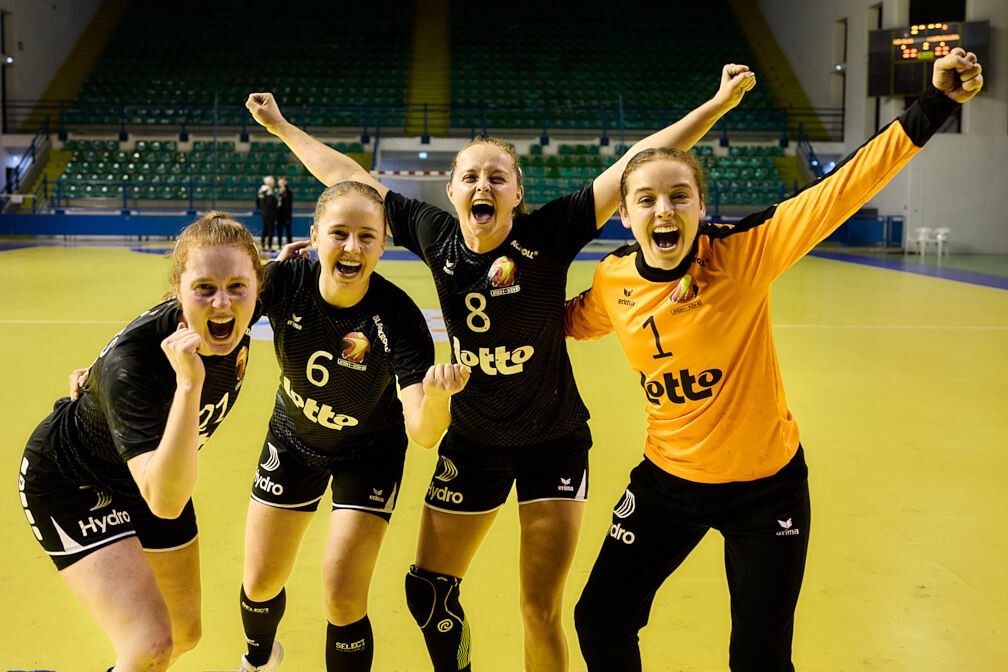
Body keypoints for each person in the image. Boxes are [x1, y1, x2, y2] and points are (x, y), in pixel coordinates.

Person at [245, 63, 755, 672]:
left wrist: (717, 105)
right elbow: (348, 180)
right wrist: (282, 127)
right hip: (475, 439)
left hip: (553, 440)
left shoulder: (550, 232)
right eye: (470, 176)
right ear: (452, 191)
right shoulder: (436, 235)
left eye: (497, 176)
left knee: (539, 608)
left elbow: (635, 164)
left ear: (516, 193)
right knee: (427, 589)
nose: (482, 184)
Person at [563, 49, 983, 672]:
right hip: (667, 482)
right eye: (646, 200)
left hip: (766, 491)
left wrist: (937, 103)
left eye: (679, 196)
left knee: (760, 657)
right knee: (600, 618)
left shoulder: (742, 255)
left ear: (700, 208)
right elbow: (562, 323)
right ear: (623, 216)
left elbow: (843, 188)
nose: (664, 210)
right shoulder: (612, 280)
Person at [234, 181, 470, 672]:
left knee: (343, 597)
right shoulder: (284, 281)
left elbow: (424, 433)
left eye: (367, 236)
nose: (352, 247)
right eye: (339, 233)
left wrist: (438, 400)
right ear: (315, 236)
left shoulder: (399, 317)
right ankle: (258, 660)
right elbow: (214, 315)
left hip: (369, 456)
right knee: (259, 583)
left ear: (383, 245)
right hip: (293, 440)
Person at [17, 213, 264, 671]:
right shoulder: (136, 366)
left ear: (258, 286)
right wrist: (188, 385)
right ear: (177, 290)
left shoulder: (242, 304)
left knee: (184, 633)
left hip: (149, 469)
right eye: (203, 288)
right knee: (150, 646)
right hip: (71, 480)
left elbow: (329, 273)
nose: (222, 303)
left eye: (237, 287)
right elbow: (166, 503)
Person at [257, 175, 278, 250]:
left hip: (264, 212)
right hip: (270, 213)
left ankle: (262, 244)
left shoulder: (261, 190)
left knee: (265, 229)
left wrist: (262, 209)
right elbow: (270, 202)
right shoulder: (268, 191)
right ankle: (269, 246)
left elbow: (257, 202)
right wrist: (276, 201)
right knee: (270, 230)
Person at [276, 177, 294, 246]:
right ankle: (279, 245)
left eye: (282, 183)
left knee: (288, 231)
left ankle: (291, 245)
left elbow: (288, 203)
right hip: (279, 215)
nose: (281, 184)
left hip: (286, 215)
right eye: (280, 183)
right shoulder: (277, 192)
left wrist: (285, 186)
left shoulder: (288, 192)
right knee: (279, 232)